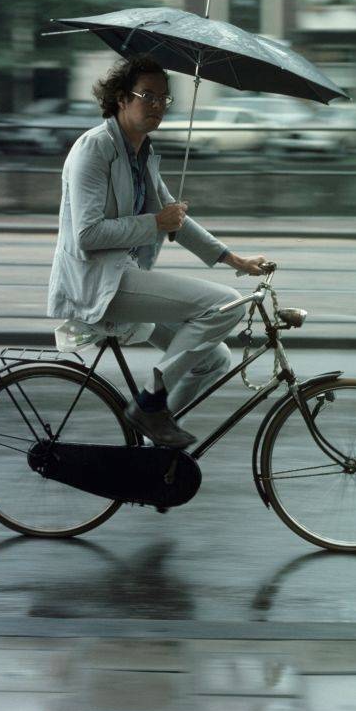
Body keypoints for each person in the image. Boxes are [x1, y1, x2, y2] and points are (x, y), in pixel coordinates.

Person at [47, 55, 271, 449]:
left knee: (214, 359)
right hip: (99, 282)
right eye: (147, 95)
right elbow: (87, 234)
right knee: (227, 306)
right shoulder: (95, 150)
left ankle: (151, 452)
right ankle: (150, 400)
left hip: (124, 275)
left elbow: (174, 219)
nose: (157, 106)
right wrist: (155, 223)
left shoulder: (141, 154)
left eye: (164, 99)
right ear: (120, 99)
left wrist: (233, 259)